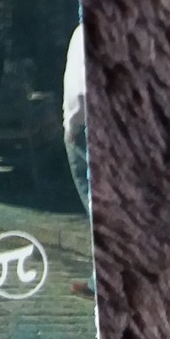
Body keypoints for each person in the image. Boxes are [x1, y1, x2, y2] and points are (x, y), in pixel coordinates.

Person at [64, 23, 96, 299]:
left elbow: (78, 89)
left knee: (94, 202)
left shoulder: (83, 33)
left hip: (88, 128)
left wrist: (71, 127)